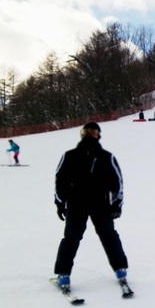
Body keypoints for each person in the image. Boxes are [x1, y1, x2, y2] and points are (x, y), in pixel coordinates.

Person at [53, 122, 128, 290]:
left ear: (97, 135)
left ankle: (119, 269)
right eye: (87, 132)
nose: (89, 135)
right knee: (82, 238)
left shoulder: (105, 157)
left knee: (104, 236)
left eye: (92, 132)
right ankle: (64, 273)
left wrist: (116, 203)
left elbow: (116, 182)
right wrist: (60, 201)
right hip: (81, 203)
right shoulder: (71, 155)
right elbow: (61, 180)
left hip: (94, 203)